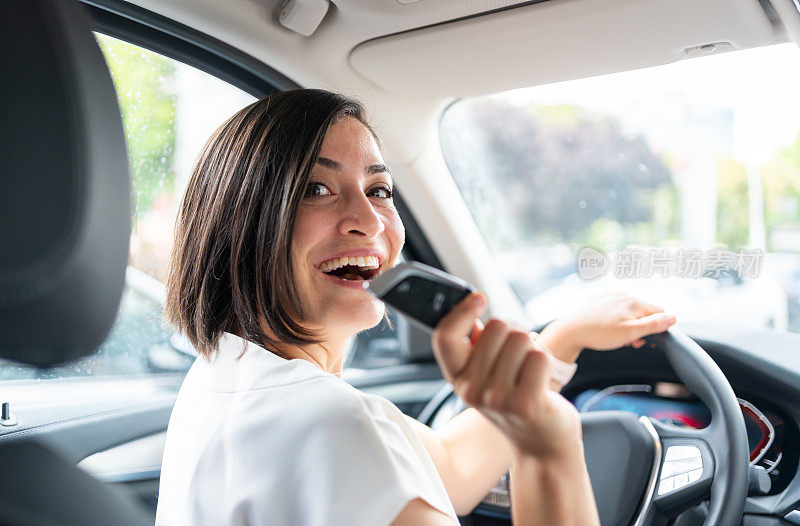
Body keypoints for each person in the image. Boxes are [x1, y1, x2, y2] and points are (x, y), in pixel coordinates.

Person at [155, 89, 677, 526]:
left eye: (379, 189)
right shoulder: (334, 424)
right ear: (241, 223)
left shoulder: (224, 379)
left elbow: (448, 466)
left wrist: (560, 341)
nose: (368, 219)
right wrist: (548, 449)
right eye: (317, 188)